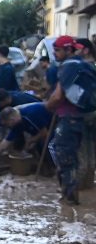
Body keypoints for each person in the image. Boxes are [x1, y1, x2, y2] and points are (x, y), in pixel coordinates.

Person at [45, 36, 91, 204]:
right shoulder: (85, 65)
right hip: (84, 117)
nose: (55, 53)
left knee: (65, 158)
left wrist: (48, 106)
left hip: (69, 118)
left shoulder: (67, 67)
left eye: (57, 50)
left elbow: (57, 96)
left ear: (68, 50)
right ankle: (76, 194)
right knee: (78, 157)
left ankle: (69, 200)